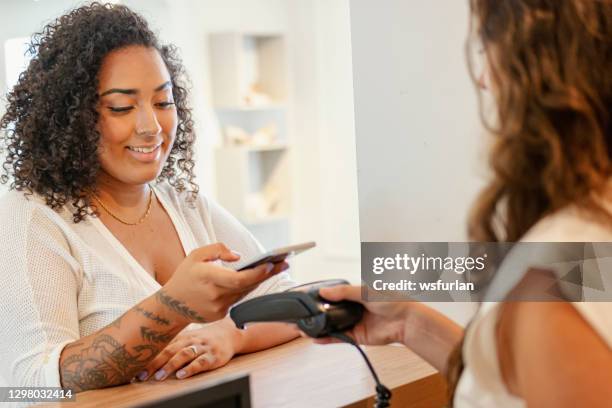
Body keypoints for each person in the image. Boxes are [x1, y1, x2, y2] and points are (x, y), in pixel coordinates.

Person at [318, 0, 612, 406]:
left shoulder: (550, 279)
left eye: (486, 44)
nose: (485, 79)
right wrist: (407, 322)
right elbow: (516, 388)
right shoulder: (589, 235)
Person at [0, 3, 298, 392]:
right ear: (69, 116)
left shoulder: (185, 205)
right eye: (122, 107)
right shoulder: (32, 216)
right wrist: (172, 306)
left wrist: (231, 336)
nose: (152, 127)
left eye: (163, 102)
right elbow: (32, 384)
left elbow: (289, 303)